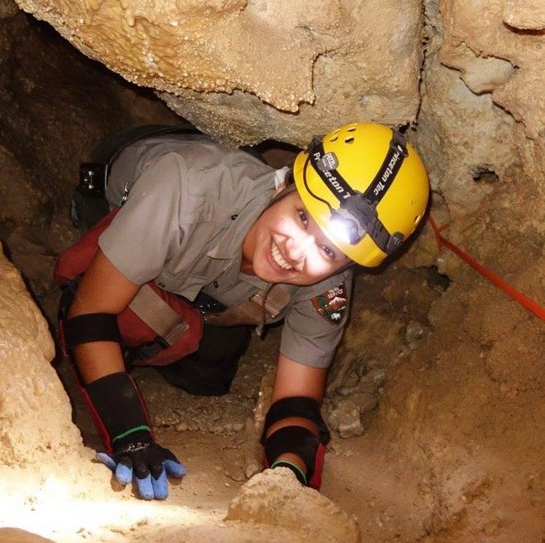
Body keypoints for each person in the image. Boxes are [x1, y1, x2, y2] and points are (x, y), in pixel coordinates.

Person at [57, 122, 430, 500]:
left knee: (207, 373)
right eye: (302, 218)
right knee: (125, 320)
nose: (295, 252)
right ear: (286, 183)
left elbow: (296, 400)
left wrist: (288, 476)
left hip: (213, 276)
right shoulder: (186, 187)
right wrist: (129, 434)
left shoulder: (328, 283)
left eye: (328, 251)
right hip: (141, 187)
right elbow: (92, 314)